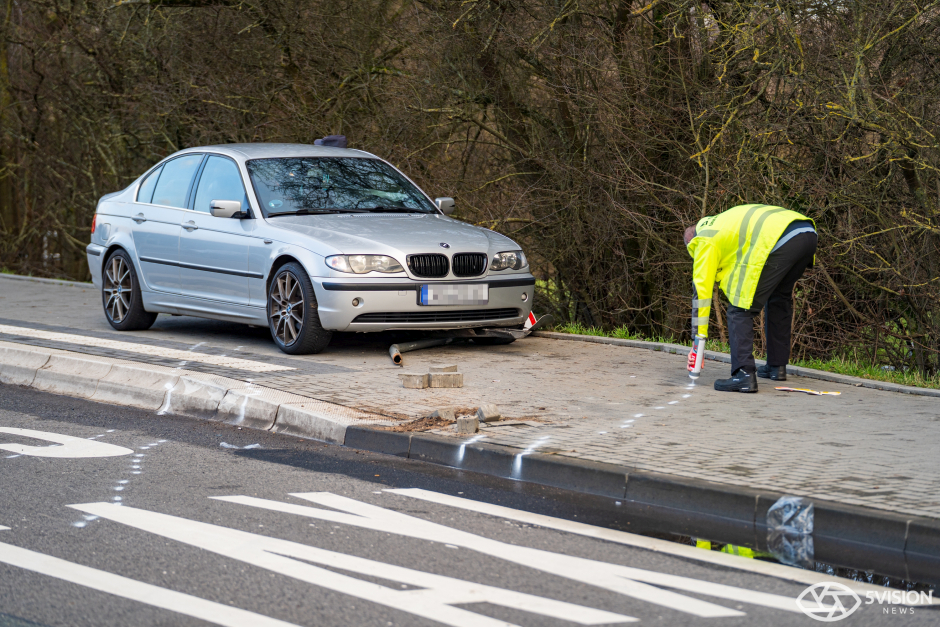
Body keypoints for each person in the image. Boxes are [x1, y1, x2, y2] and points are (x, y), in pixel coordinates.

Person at [684, 204, 817, 392]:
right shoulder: (723, 224)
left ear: (691, 242)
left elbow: (702, 293)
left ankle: (744, 375)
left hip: (780, 238)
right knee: (779, 298)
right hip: (806, 231)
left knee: (739, 309)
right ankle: (776, 366)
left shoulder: (703, 240)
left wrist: (697, 342)